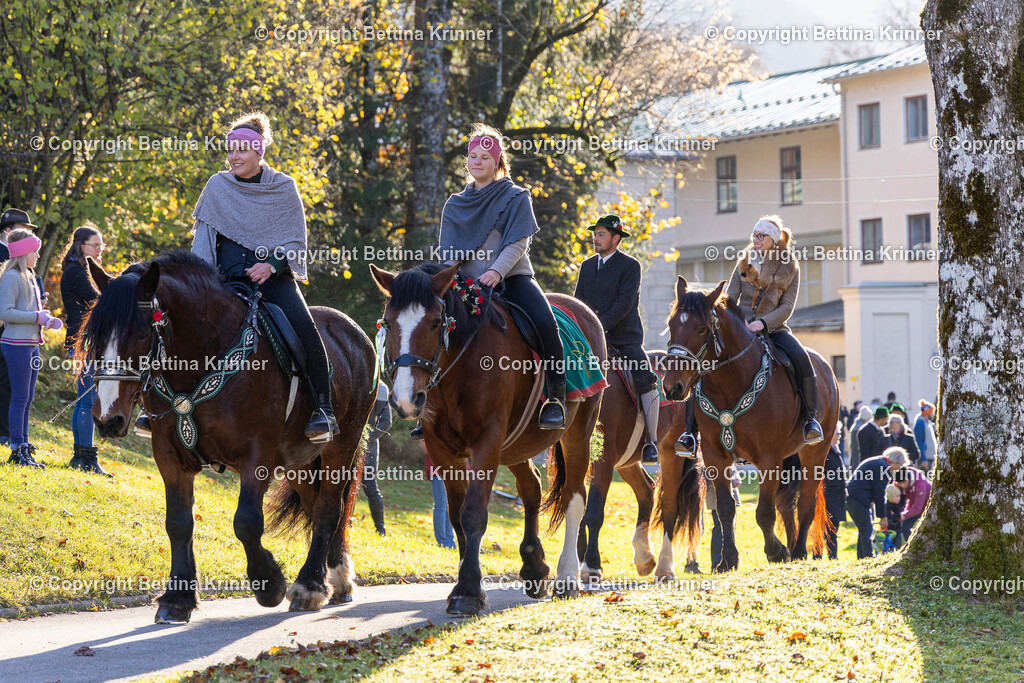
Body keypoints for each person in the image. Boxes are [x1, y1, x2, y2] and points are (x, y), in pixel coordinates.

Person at [181, 111, 338, 442]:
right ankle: (168, 405)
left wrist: (272, 266)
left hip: (273, 281)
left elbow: (295, 242)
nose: (234, 156)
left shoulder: (283, 187)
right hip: (223, 282)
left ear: (259, 151)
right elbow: (204, 243)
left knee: (305, 328)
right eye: (230, 150)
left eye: (242, 150)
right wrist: (199, 285)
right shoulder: (217, 186)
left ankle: (322, 409)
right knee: (181, 325)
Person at [415, 122, 563, 439]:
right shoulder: (454, 203)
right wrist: (451, 280)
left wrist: (496, 271)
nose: (477, 161)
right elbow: (448, 254)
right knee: (430, 326)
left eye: (485, 157)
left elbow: (518, 242)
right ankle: (426, 404)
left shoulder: (515, 196)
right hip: (465, 284)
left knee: (546, 323)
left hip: (511, 277)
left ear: (497, 162)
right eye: (473, 156)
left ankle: (555, 398)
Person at [676, 215, 823, 457]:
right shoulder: (744, 260)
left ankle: (810, 420)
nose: (756, 240)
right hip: (738, 327)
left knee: (802, 359)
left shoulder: (790, 266)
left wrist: (762, 323)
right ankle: (689, 433)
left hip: (773, 328)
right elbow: (729, 297)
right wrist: (736, 320)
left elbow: (787, 307)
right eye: (754, 235)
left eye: (761, 236)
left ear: (773, 240)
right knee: (702, 364)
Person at [574, 214, 659, 462]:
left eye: (601, 234)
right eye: (594, 234)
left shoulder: (631, 266)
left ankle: (651, 441)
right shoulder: (586, 266)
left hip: (624, 340)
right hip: (588, 338)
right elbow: (578, 301)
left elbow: (624, 304)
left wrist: (596, 327)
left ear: (616, 238)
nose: (595, 239)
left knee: (646, 378)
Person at [0, 229, 63, 468]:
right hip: (15, 345)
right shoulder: (12, 277)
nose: (37, 256)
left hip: (31, 345)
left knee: (27, 398)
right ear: (23, 252)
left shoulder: (29, 276)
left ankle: (24, 444)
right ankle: (17, 449)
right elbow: (5, 312)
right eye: (34, 251)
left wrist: (47, 319)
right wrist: (37, 317)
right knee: (19, 397)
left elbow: (29, 311)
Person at [60, 225, 111, 476]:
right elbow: (99, 300)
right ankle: (86, 458)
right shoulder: (76, 272)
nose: (99, 249)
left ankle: (81, 456)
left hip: (85, 340)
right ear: (81, 245)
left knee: (85, 399)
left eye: (101, 245)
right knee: (88, 401)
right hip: (84, 342)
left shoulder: (82, 270)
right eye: (95, 245)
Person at [845, 446, 909, 559]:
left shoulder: (878, 462)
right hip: (857, 499)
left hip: (854, 498)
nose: (898, 469)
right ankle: (867, 557)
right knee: (867, 528)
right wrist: (882, 516)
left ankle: (862, 557)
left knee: (864, 528)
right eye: (899, 466)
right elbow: (879, 494)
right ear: (895, 462)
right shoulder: (883, 468)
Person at [815, 421, 847, 560]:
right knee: (822, 529)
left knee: (833, 529)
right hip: (827, 495)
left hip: (836, 496)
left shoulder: (835, 449)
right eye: (836, 432)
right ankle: (817, 557)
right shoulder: (825, 451)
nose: (839, 435)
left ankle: (832, 557)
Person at [363, 382, 390, 536]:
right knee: (344, 485)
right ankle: (345, 524)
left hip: (369, 446)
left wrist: (365, 438)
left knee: (370, 487)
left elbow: (386, 422)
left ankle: (380, 529)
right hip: (347, 444)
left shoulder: (381, 388)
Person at [424, 444, 456, 549]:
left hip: (456, 467)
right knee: (441, 504)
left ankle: (450, 542)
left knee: (451, 505)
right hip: (439, 466)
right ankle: (443, 542)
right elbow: (425, 446)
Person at [894, 465, 932, 546]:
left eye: (904, 483)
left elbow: (918, 508)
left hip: (926, 505)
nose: (902, 486)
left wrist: (903, 515)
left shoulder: (920, 484)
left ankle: (917, 546)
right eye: (899, 483)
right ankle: (910, 546)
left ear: (908, 479)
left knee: (924, 529)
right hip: (912, 502)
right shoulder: (898, 480)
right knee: (903, 527)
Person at [913, 400, 937, 473]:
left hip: (929, 457)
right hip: (925, 459)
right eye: (932, 412)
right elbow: (919, 441)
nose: (933, 414)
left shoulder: (927, 423)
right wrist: (923, 459)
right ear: (928, 412)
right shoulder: (920, 423)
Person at [848, 404, 872, 469]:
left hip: (854, 450)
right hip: (859, 452)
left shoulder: (855, 424)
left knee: (854, 455)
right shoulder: (862, 427)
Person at [883, 483, 904, 550]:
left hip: (898, 529)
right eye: (896, 496)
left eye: (899, 496)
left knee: (897, 544)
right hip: (889, 529)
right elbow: (889, 516)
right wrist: (897, 516)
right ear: (890, 497)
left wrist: (896, 515)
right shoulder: (887, 506)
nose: (899, 498)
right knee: (888, 544)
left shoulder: (898, 505)